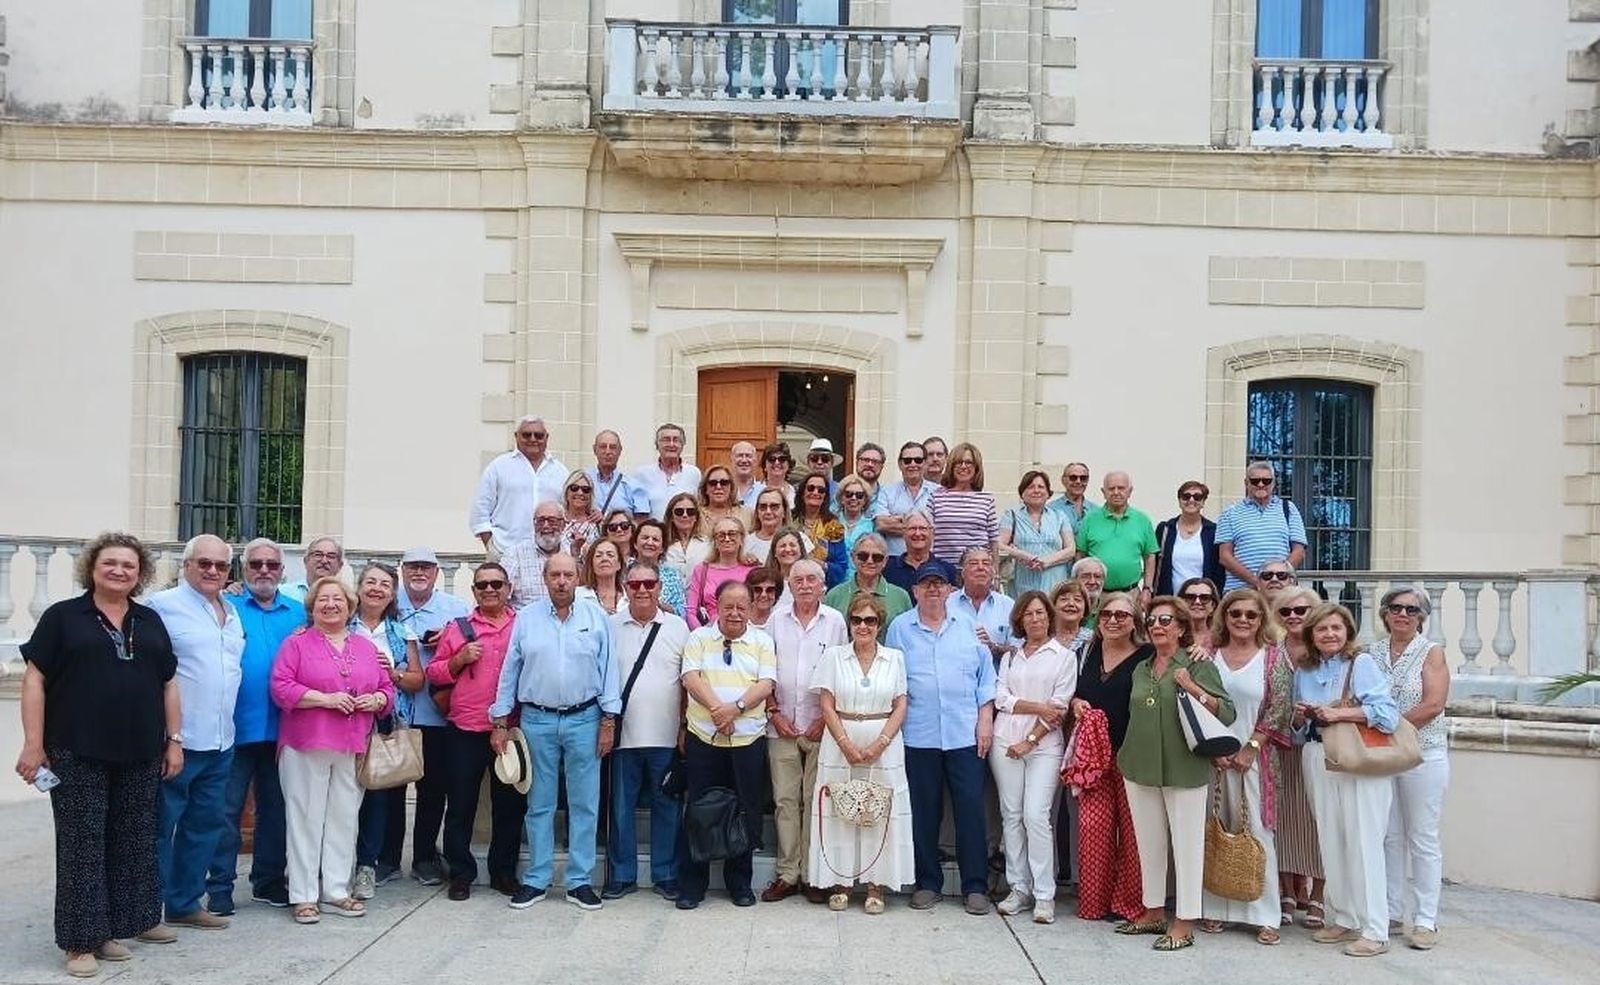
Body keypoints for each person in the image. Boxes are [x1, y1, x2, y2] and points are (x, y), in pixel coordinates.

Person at [17, 533, 181, 977]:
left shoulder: (148, 620)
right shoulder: (63, 617)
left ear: (140, 573)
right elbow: (34, 680)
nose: (119, 571)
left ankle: (121, 926)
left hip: (140, 750)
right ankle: (80, 941)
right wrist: (33, 742)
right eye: (110, 562)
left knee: (131, 841)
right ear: (92, 567)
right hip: (77, 749)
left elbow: (168, 683)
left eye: (129, 565)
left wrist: (174, 740)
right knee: (82, 846)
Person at [490, 553, 619, 912]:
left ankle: (579, 881)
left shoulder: (596, 618)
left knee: (585, 803)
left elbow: (609, 669)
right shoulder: (527, 619)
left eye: (568, 575)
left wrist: (609, 720)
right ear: (545, 579)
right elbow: (510, 671)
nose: (562, 581)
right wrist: (500, 721)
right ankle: (537, 878)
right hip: (537, 720)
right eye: (555, 575)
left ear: (578, 578)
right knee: (539, 804)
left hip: (585, 719)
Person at [270, 576, 396, 923]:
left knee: (344, 818)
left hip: (353, 743)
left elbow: (388, 689)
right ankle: (303, 894)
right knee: (305, 819)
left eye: (338, 599)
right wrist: (324, 699)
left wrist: (378, 699)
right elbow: (281, 687)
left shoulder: (365, 647)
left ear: (350, 606)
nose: (331, 605)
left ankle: (336, 890)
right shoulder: (296, 644)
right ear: (312, 607)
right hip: (305, 743)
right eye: (323, 599)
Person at [1117, 596, 1236, 952]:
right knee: (1148, 843)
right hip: (1140, 766)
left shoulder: (1198, 664)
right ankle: (1153, 911)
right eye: (1152, 620)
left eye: (1166, 620)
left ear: (1182, 627)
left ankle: (1185, 920)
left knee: (1187, 847)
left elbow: (1227, 713)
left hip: (1184, 767)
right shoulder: (1141, 668)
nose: (1157, 626)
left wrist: (1193, 688)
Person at [885, 559, 996, 916]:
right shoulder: (900, 629)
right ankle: (927, 883)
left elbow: (985, 679)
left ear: (950, 589)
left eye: (939, 583)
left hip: (965, 733)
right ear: (914, 590)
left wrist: (985, 721)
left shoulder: (969, 626)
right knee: (924, 812)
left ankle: (975, 886)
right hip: (918, 734)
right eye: (926, 583)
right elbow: (892, 680)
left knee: (970, 811)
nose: (933, 589)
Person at [148, 534, 245, 930]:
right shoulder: (161, 607)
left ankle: (185, 903)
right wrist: (167, 737)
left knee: (204, 827)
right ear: (186, 565)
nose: (212, 570)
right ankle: (146, 911)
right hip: (177, 741)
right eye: (204, 563)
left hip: (221, 740)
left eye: (220, 565)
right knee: (159, 828)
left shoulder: (231, 611)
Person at [1294, 603, 1400, 957]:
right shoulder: (1305, 670)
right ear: (1311, 635)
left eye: (1336, 628)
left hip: (1358, 758)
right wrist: (1301, 717)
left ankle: (1375, 928)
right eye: (1322, 629)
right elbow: (1297, 730)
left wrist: (1337, 713)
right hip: (1317, 754)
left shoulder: (1361, 664)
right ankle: (1344, 915)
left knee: (1364, 840)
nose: (1329, 634)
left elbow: (1387, 715)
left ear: (1347, 632)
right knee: (1331, 838)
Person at [1198, 589, 1294, 945]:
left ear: (1261, 619)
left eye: (1251, 615)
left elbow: (1280, 707)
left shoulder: (1273, 658)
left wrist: (1252, 747)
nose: (1242, 620)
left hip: (1255, 759)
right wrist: (1213, 748)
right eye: (1235, 613)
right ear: (1224, 617)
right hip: (1213, 758)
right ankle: (1216, 908)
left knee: (1256, 832)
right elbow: (1194, 702)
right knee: (1216, 829)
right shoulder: (1208, 655)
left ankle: (1264, 915)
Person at [674, 581, 778, 909]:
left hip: (747, 740)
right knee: (699, 810)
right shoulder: (699, 638)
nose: (734, 613)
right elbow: (691, 678)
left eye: (741, 607)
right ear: (716, 606)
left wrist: (736, 709)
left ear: (750, 609)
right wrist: (720, 711)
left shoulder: (762, 641)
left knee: (745, 810)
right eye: (728, 606)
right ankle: (693, 884)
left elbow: (766, 684)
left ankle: (740, 883)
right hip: (704, 739)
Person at [809, 592, 914, 914]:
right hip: (840, 743)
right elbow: (826, 703)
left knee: (878, 812)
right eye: (857, 620)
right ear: (849, 623)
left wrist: (879, 743)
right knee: (840, 809)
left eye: (870, 620)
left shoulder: (894, 658)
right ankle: (841, 883)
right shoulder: (834, 657)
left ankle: (875, 885)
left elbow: (900, 704)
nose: (863, 626)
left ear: (879, 624)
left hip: (884, 744)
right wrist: (845, 744)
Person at [424, 563, 524, 901]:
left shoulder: (522, 625)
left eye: (496, 583)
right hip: (465, 728)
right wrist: (459, 659)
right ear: (474, 591)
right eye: (482, 585)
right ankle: (461, 873)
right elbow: (435, 673)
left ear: (508, 588)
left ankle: (503, 872)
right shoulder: (458, 628)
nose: (490, 589)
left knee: (509, 805)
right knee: (460, 805)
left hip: (510, 728)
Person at [211, 538, 300, 915]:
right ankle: (219, 887)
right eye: (256, 564)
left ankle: (268, 881)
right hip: (235, 727)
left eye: (272, 565)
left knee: (276, 810)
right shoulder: (224, 607)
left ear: (282, 571)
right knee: (226, 811)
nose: (264, 570)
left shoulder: (299, 613)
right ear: (243, 569)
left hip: (284, 729)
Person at [1367, 586, 1450, 951]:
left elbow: (1433, 704)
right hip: (1384, 755)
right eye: (1396, 607)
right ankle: (1391, 911)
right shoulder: (1371, 652)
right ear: (1385, 613)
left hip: (1422, 753)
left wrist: (1391, 728)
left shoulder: (1431, 652)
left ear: (1421, 617)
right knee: (1389, 835)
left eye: (1411, 610)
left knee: (1423, 837)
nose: (1403, 614)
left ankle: (1426, 919)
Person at [604, 561, 691, 901]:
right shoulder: (610, 626)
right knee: (620, 809)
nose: (642, 589)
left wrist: (683, 726)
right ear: (625, 588)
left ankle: (666, 874)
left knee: (667, 807)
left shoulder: (678, 627)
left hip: (666, 735)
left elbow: (688, 681)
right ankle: (621, 875)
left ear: (659, 587)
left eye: (649, 583)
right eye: (635, 584)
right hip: (622, 736)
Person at [762, 560, 848, 904]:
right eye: (798, 579)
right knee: (785, 801)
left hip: (820, 725)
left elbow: (841, 673)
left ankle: (814, 875)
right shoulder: (776, 620)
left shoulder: (835, 621)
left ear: (823, 585)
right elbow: (763, 669)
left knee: (815, 802)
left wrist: (825, 720)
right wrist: (773, 712)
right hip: (781, 723)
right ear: (789, 584)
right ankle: (788, 874)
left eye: (812, 579)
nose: (805, 584)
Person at [991, 591, 1077, 925]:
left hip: (1043, 746)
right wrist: (1037, 706)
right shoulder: (1011, 656)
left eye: (1040, 613)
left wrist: (1029, 739)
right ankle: (1019, 888)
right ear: (1020, 620)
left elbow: (1059, 708)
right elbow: (1001, 698)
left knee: (1036, 816)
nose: (1035, 619)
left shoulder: (1064, 657)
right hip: (1004, 741)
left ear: (1049, 616)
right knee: (1011, 816)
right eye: (1028, 614)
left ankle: (1044, 894)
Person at [1069, 591, 1149, 922]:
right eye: (1106, 614)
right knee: (1093, 828)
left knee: (1133, 832)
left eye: (1122, 615)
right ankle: (1094, 902)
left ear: (1135, 622)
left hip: (1134, 753)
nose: (1113, 620)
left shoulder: (1147, 656)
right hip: (1093, 755)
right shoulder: (1086, 652)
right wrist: (1076, 703)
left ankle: (1128, 904)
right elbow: (1073, 692)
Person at [394, 547, 470, 888]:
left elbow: (473, 648)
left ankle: (424, 858)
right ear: (402, 570)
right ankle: (387, 859)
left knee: (432, 791)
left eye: (426, 567)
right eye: (413, 566)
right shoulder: (389, 602)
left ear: (437, 572)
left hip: (436, 713)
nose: (419, 572)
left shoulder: (456, 609)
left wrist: (449, 642)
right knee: (388, 788)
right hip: (394, 712)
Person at [349, 563, 424, 902]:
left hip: (382, 721)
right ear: (359, 587)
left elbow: (417, 681)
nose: (376, 589)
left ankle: (367, 865)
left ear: (393, 594)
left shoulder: (400, 632)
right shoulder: (340, 623)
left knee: (377, 798)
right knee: (340, 797)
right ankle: (334, 864)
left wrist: (393, 673)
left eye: (384, 584)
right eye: (371, 582)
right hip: (342, 719)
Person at [1270, 585, 1326, 929]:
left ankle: (1318, 894)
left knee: (1318, 820)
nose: (1293, 616)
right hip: (1279, 745)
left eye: (1301, 610)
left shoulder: (1324, 650)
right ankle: (1288, 892)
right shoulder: (1272, 650)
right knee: (1284, 820)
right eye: (1286, 611)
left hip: (1317, 746)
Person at [471, 415, 569, 555]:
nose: (533, 439)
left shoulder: (560, 471)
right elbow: (481, 510)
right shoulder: (498, 467)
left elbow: (568, 511)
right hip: (505, 551)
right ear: (516, 436)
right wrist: (491, 546)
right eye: (526, 435)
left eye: (538, 435)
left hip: (549, 554)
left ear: (547, 438)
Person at [1217, 462, 1309, 591]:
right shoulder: (1230, 513)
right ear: (1246, 483)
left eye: (1266, 481)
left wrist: (1277, 579)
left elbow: (1299, 551)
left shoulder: (1289, 509)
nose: (1261, 484)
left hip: (1280, 590)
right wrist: (1256, 581)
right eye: (1255, 481)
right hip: (1242, 591)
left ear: (1273, 483)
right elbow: (1225, 556)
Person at [1076, 472, 1158, 596]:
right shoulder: (1090, 519)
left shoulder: (1142, 520)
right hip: (1097, 594)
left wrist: (1147, 588)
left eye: (1121, 488)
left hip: (1131, 593)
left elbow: (1149, 556)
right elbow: (1080, 554)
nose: (1116, 492)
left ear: (1130, 491)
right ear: (1103, 492)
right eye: (1111, 488)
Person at [999, 470, 1075, 597]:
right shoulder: (1011, 515)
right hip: (1023, 580)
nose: (1036, 490)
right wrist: (1023, 555)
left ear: (1048, 493)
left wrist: (1046, 561)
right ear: (1022, 493)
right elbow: (999, 544)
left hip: (1054, 580)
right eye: (1030, 487)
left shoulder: (1059, 516)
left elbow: (1071, 549)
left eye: (1041, 487)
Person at [928, 442, 998, 566]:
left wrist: (995, 571)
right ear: (951, 466)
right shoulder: (936, 496)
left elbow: (993, 541)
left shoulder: (986, 499)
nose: (963, 466)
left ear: (976, 467)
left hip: (977, 569)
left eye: (969, 462)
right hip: (943, 568)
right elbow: (929, 535)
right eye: (959, 462)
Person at [824, 533, 912, 630]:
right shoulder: (834, 596)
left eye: (877, 557)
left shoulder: (901, 597)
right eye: (863, 556)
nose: (870, 561)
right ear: (853, 557)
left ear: (885, 561)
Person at [1155, 481, 1225, 596]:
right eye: (1186, 496)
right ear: (1179, 500)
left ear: (1203, 502)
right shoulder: (1165, 529)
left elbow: (1219, 571)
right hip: (1170, 599)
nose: (1191, 500)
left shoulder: (1213, 531)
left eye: (1197, 497)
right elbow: (1156, 564)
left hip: (1201, 600)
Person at [687, 516, 757, 629]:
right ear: (714, 541)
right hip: (710, 632)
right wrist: (702, 635)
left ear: (741, 539)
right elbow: (691, 611)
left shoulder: (753, 570)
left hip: (745, 631)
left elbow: (758, 608)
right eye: (721, 535)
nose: (727, 538)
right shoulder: (701, 570)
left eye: (732, 534)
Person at [952, 546, 1015, 665]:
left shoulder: (1008, 605)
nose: (980, 568)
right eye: (973, 563)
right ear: (962, 572)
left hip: (997, 674)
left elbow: (1019, 651)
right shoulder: (947, 604)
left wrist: (994, 648)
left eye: (986, 563)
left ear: (993, 572)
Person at [874, 441, 935, 557]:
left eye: (918, 460)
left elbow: (939, 527)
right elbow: (881, 524)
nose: (913, 464)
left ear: (925, 463)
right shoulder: (887, 491)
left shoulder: (937, 492)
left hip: (928, 561)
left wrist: (899, 519)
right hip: (895, 560)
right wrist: (924, 525)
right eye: (907, 460)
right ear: (900, 464)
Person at [501, 501, 566, 609]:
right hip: (525, 617)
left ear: (563, 524)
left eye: (552, 521)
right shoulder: (514, 554)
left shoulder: (572, 552)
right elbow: (501, 596)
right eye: (540, 521)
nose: (545, 526)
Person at [634, 422, 702, 519]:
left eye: (676, 440)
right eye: (666, 440)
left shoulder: (694, 473)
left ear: (682, 445)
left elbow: (699, 507)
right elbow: (638, 512)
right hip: (654, 528)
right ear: (657, 445)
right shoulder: (642, 474)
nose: (671, 444)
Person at [793, 470, 849, 586]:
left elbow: (841, 567)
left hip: (823, 586)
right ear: (802, 492)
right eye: (811, 488)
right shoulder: (788, 520)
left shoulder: (833, 526)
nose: (815, 492)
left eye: (821, 490)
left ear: (825, 496)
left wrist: (822, 565)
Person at [630, 519, 687, 619]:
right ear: (635, 544)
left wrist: (661, 607)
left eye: (655, 539)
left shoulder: (672, 576)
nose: (649, 542)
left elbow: (682, 612)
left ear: (662, 548)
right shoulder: (623, 572)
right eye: (645, 538)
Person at [587, 429, 647, 518]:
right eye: (603, 447)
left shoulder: (634, 486)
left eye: (612, 447)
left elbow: (641, 521)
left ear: (620, 451)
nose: (607, 452)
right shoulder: (583, 482)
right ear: (594, 449)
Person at [834, 472, 878, 580]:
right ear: (841, 498)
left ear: (865, 501)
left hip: (862, 580)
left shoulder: (873, 526)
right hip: (835, 580)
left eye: (859, 495)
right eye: (849, 494)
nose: (854, 498)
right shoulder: (831, 523)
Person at [280, 536, 345, 602]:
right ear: (306, 561)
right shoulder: (283, 594)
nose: (324, 561)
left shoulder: (346, 598)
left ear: (340, 565)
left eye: (331, 556)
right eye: (318, 555)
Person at [662, 492, 711, 578]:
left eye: (690, 511)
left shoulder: (707, 544)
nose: (685, 515)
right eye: (679, 512)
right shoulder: (662, 544)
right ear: (671, 517)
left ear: (696, 517)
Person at [884, 510, 935, 592]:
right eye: (912, 528)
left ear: (931, 533)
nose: (917, 533)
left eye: (923, 528)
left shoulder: (946, 569)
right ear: (904, 533)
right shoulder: (887, 567)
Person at [557, 470, 600, 559]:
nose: (580, 493)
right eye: (574, 488)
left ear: (590, 495)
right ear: (566, 492)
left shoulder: (597, 524)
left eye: (585, 490)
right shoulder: (556, 519)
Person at [743, 487, 792, 564]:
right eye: (763, 507)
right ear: (757, 512)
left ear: (784, 512)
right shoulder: (745, 543)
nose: (768, 512)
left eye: (774, 507)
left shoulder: (800, 539)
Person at [1048, 462, 1099, 532]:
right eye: (1073, 478)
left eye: (1083, 478)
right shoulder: (1052, 510)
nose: (1078, 481)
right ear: (1063, 480)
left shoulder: (1096, 510)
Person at [580, 539, 626, 615]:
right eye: (598, 556)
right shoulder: (578, 595)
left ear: (619, 564)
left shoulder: (629, 597)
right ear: (591, 565)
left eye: (610, 555)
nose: (604, 559)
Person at [1050, 579, 1095, 656]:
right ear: (1053, 606)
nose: (1071, 604)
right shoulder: (1043, 637)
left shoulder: (1092, 640)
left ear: (1085, 609)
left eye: (1077, 600)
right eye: (1064, 599)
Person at [1177, 577, 1220, 650]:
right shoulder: (1170, 634)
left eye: (1204, 598)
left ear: (1213, 606)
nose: (1197, 602)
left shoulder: (1223, 637)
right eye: (1190, 597)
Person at [700, 464, 747, 530]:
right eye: (713, 483)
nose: (718, 487)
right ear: (705, 489)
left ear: (731, 487)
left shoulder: (747, 514)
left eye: (724, 482)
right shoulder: (695, 515)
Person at [849, 443, 887, 513]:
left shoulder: (887, 497)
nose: (870, 464)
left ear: (881, 467)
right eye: (865, 460)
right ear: (857, 463)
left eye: (875, 461)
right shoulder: (844, 494)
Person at [759, 442, 796, 508]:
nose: (777, 462)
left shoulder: (795, 493)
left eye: (782, 459)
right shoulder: (756, 491)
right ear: (765, 466)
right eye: (772, 459)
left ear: (788, 465)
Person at [730, 440, 763, 507]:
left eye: (748, 456)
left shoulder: (763, 490)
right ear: (732, 459)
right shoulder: (724, 489)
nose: (744, 460)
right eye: (740, 456)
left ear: (755, 460)